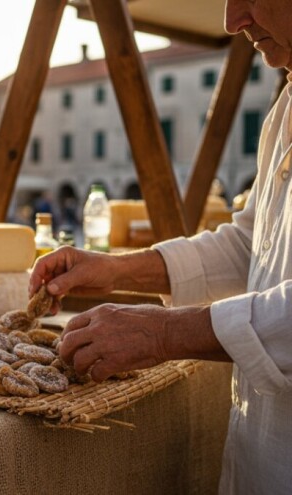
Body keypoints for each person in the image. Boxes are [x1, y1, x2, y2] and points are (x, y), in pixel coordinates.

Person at [30, 1, 292, 490]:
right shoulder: (287, 106)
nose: (232, 20)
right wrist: (115, 269)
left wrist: (165, 334)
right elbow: (251, 245)